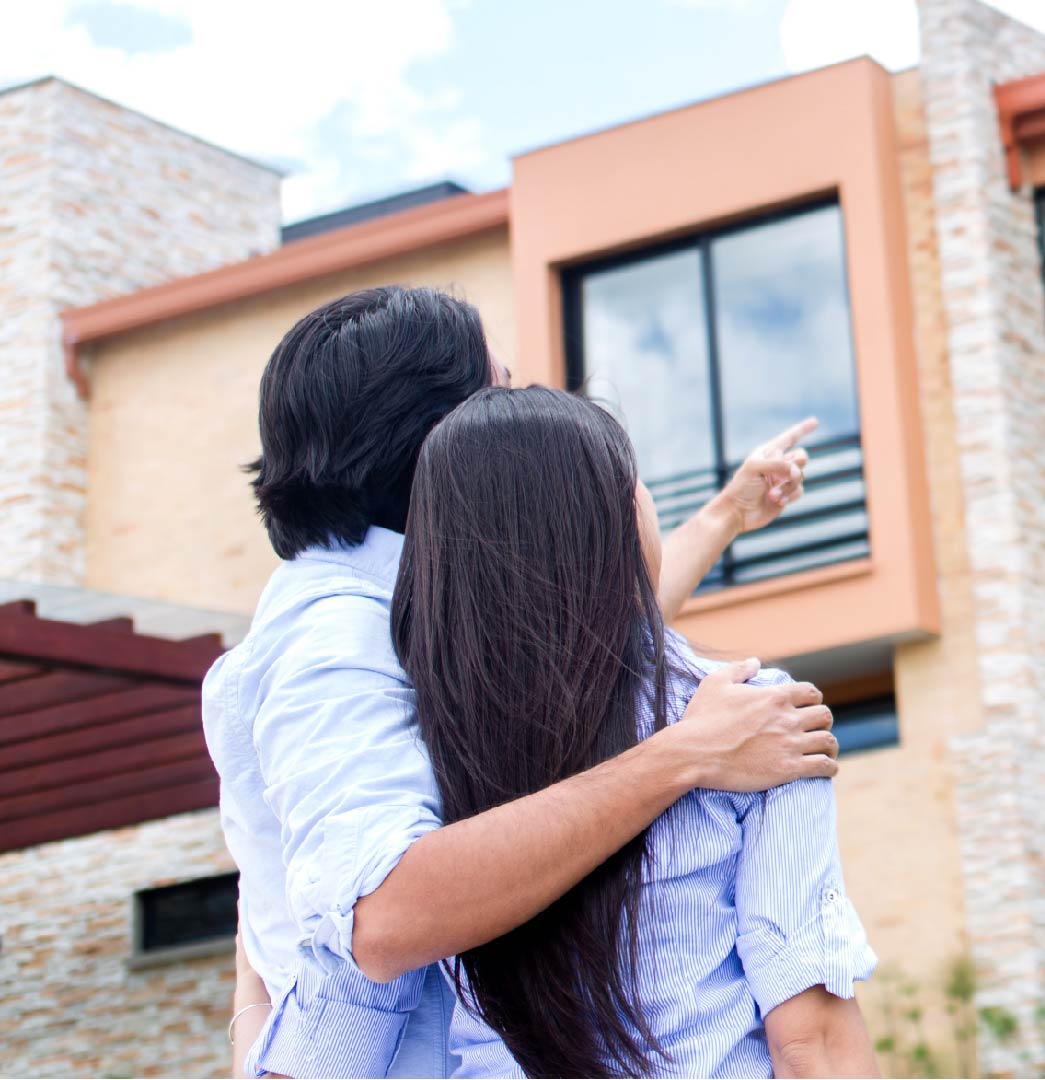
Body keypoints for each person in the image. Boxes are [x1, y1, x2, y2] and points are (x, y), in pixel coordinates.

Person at [205, 286, 839, 1077]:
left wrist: (724, 517)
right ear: (441, 440)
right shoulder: (332, 639)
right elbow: (384, 916)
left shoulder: (416, 594)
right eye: (500, 389)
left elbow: (586, 644)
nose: (523, 414)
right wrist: (684, 755)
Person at [397, 386, 880, 1078]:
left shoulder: (417, 744)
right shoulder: (753, 720)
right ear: (615, 519)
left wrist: (726, 513)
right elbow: (813, 1039)